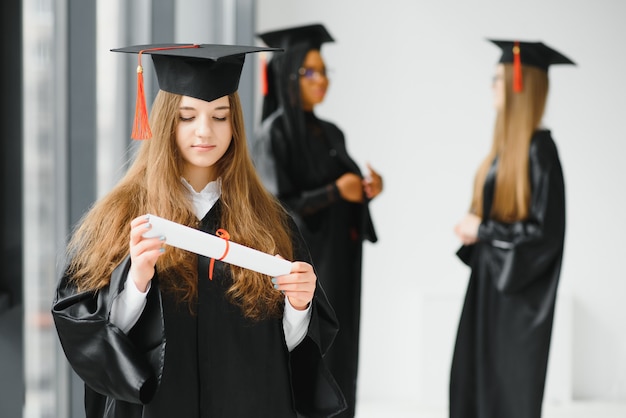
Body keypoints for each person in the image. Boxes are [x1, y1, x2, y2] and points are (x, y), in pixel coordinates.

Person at [52, 43, 347, 418]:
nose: (204, 131)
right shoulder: (121, 213)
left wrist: (299, 306)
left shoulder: (270, 221)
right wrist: (136, 283)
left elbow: (284, 357)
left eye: (220, 116)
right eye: (187, 116)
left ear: (234, 124)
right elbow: (91, 337)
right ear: (164, 122)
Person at [251, 24, 382, 418]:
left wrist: (366, 188)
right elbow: (277, 209)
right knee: (312, 350)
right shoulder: (273, 136)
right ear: (289, 74)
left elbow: (345, 187)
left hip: (341, 261)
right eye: (311, 72)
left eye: (324, 71)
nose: (321, 80)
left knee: (343, 350)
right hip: (307, 266)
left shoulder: (331, 133)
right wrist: (335, 192)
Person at [450, 39, 575, 418]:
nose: (492, 86)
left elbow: (544, 234)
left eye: (498, 79)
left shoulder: (540, 151)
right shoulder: (507, 149)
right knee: (474, 380)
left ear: (520, 86)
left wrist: (483, 229)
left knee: (505, 388)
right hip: (491, 283)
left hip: (516, 293)